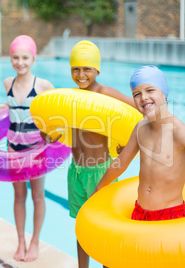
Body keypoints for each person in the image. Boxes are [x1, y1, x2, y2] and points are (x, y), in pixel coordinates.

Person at [93, 65, 185, 221]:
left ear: (163, 92)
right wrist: (99, 188)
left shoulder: (178, 131)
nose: (143, 97)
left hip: (169, 215)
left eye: (150, 90)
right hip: (140, 211)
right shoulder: (140, 129)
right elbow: (121, 163)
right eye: (136, 94)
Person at [44, 40, 135, 268]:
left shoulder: (106, 93)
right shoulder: (71, 99)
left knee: (103, 228)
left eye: (87, 68)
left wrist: (125, 142)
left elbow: (136, 108)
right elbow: (58, 132)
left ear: (97, 70)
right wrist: (49, 135)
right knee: (81, 227)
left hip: (100, 171)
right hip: (76, 171)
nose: (81, 74)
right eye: (76, 68)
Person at [4, 35, 54, 262]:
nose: (20, 62)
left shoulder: (43, 86)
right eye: (16, 57)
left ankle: (35, 242)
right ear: (11, 58)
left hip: (36, 151)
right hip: (13, 149)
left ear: (33, 58)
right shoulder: (8, 83)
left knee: (37, 196)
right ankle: (21, 241)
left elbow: (57, 116)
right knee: (18, 196)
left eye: (25, 57)